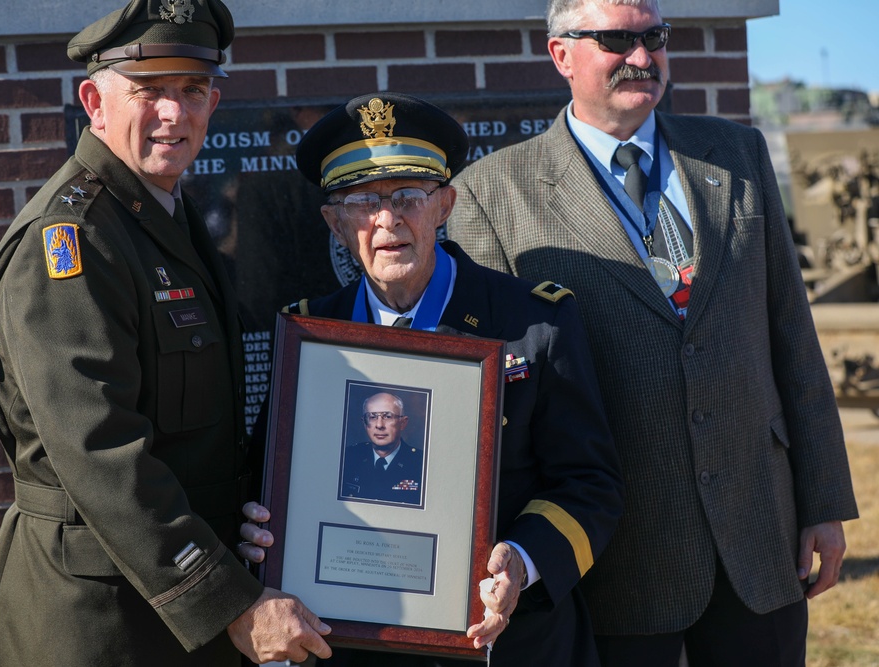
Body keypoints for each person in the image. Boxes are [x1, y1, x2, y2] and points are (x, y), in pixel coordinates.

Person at [446, 0, 859, 665]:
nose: (642, 58)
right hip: (618, 561)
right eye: (616, 40)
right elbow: (497, 405)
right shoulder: (492, 197)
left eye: (654, 37)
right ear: (562, 55)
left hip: (759, 539)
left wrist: (823, 500)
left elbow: (791, 334)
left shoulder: (739, 152)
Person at [0, 1, 332, 665]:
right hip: (97, 621)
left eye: (191, 91)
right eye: (150, 91)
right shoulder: (74, 242)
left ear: (214, 102)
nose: (174, 113)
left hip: (163, 608)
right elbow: (100, 448)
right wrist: (229, 598)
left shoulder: (164, 216)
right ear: (94, 102)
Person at [277, 91, 624, 666]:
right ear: (335, 224)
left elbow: (590, 485)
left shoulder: (533, 323)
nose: (388, 220)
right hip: (360, 646)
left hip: (513, 644)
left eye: (409, 197)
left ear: (445, 206)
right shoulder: (309, 339)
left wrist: (520, 559)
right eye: (363, 202)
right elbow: (279, 487)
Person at [341, 392, 424, 504]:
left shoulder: (421, 464)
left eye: (388, 416)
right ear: (364, 423)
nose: (379, 425)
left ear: (402, 423)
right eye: (372, 417)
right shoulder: (348, 458)